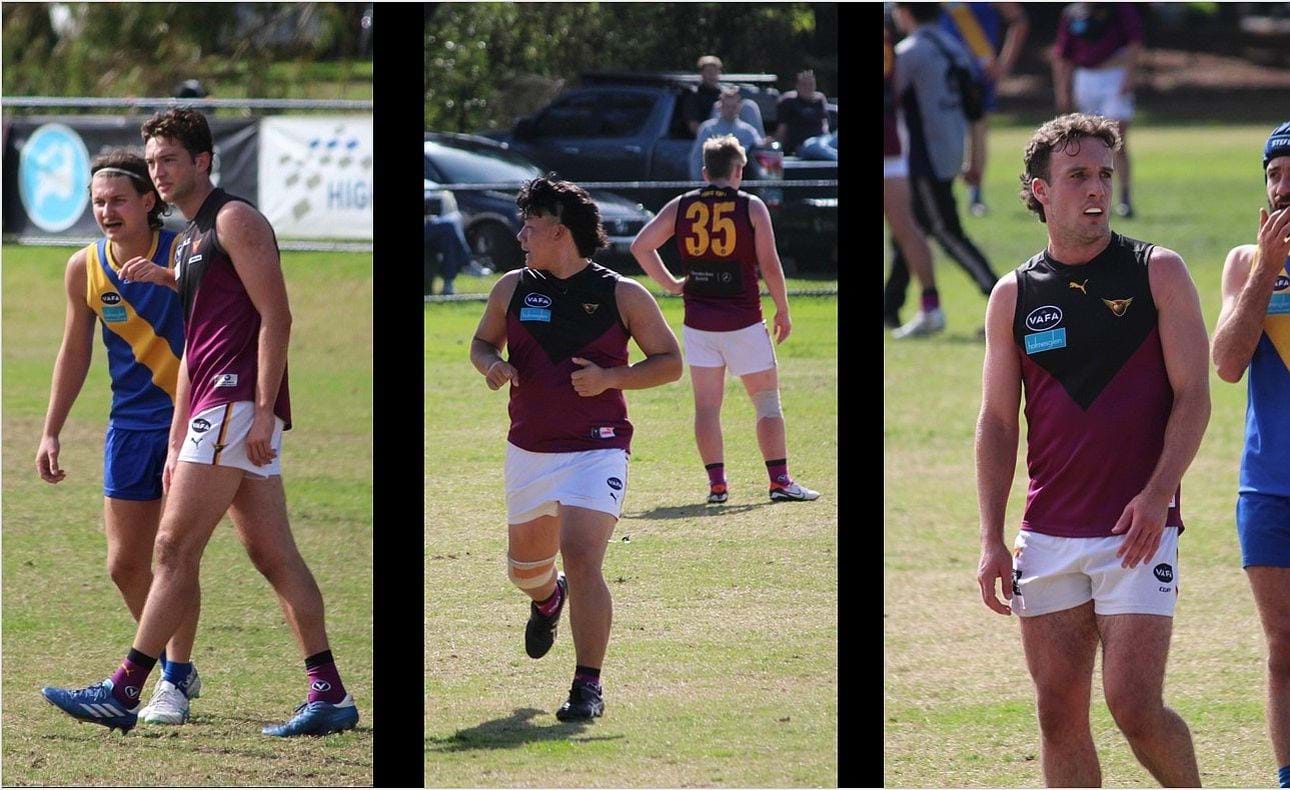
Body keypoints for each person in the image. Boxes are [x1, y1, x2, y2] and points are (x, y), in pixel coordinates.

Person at [41, 108, 359, 737]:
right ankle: (330, 694)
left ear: (203, 162)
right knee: (272, 554)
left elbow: (278, 318)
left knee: (171, 547)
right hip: (209, 408)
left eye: (169, 161)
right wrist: (178, 430)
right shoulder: (188, 240)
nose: (158, 173)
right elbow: (198, 346)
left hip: (237, 404)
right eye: (153, 162)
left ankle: (127, 689)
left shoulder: (234, 220)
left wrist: (264, 409)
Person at [975, 113, 1209, 786]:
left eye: (1105, 173)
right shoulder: (1013, 295)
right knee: (1058, 717)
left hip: (1137, 531)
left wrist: (1158, 494)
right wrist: (992, 538)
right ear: (1039, 190)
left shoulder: (1157, 272)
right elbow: (996, 421)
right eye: (1077, 174)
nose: (1095, 188)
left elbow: (1194, 397)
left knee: (1134, 706)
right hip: (1046, 538)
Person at [470, 175, 682, 721]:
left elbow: (669, 362)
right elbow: (480, 342)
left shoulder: (622, 294)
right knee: (525, 572)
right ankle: (547, 599)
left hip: (598, 449)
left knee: (583, 557)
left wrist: (613, 379)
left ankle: (587, 685)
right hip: (530, 452)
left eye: (531, 227)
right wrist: (492, 364)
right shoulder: (511, 287)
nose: (520, 236)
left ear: (559, 233)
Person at [37, 149, 204, 726]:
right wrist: (52, 429)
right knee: (124, 564)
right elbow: (75, 351)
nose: (106, 211)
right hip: (129, 428)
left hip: (193, 422)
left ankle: (174, 679)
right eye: (98, 201)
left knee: (176, 556)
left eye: (118, 201)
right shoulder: (84, 267)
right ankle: (167, 667)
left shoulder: (185, 250)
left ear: (149, 202)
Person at [631, 135, 821, 505]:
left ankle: (718, 485)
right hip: (744, 320)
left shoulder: (682, 205)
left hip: (699, 323)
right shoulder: (751, 206)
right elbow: (769, 263)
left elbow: (641, 245)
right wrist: (782, 307)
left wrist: (671, 284)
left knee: (706, 407)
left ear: (705, 171)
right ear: (738, 170)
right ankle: (779, 480)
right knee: (767, 403)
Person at [1211, 120, 1290, 789]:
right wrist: (1267, 270)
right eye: (1273, 175)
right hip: (1269, 487)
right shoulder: (1246, 263)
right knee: (1284, 648)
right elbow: (1228, 365)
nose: (1283, 188)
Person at [883, 2, 999, 335]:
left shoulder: (910, 52)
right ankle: (890, 306)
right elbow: (976, 109)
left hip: (921, 156)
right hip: (949, 151)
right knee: (909, 229)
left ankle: (1001, 298)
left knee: (944, 231)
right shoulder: (955, 46)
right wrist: (974, 158)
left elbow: (891, 97)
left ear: (905, 14)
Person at [1053, 2, 1143, 217]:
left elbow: (1135, 43)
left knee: (1116, 139)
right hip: (1085, 78)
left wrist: (1129, 76)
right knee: (1088, 144)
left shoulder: (1120, 9)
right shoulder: (1073, 13)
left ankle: (1125, 196)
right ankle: (1088, 199)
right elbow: (1062, 55)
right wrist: (1062, 90)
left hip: (1114, 75)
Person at [939, 2, 1030, 215]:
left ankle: (975, 195)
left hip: (978, 72)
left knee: (977, 132)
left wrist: (1004, 64)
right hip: (942, 69)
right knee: (942, 132)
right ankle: (943, 194)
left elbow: (1019, 20)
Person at [884, 26, 943, 338]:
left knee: (905, 227)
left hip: (888, 146)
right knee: (905, 228)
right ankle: (928, 307)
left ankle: (931, 307)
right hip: (891, 144)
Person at [689, 87, 762, 181]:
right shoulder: (708, 129)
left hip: (742, 182)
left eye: (733, 106)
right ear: (720, 107)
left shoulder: (748, 131)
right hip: (713, 181)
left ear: (739, 107)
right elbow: (697, 157)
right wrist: (697, 182)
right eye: (727, 106)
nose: (730, 110)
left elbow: (759, 153)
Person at [683, 54, 765, 137]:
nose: (712, 75)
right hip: (713, 136)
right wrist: (708, 137)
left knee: (748, 105)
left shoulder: (725, 92)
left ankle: (759, 142)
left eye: (714, 72)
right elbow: (694, 127)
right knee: (718, 106)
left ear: (719, 73)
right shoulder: (694, 96)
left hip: (733, 132)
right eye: (708, 72)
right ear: (702, 73)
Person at [770, 70, 829, 157]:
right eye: (804, 84)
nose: (808, 88)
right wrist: (776, 146)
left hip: (823, 141)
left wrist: (826, 138)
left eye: (811, 84)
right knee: (817, 147)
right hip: (803, 146)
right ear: (797, 86)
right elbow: (781, 130)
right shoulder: (788, 102)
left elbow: (824, 125)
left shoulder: (820, 100)